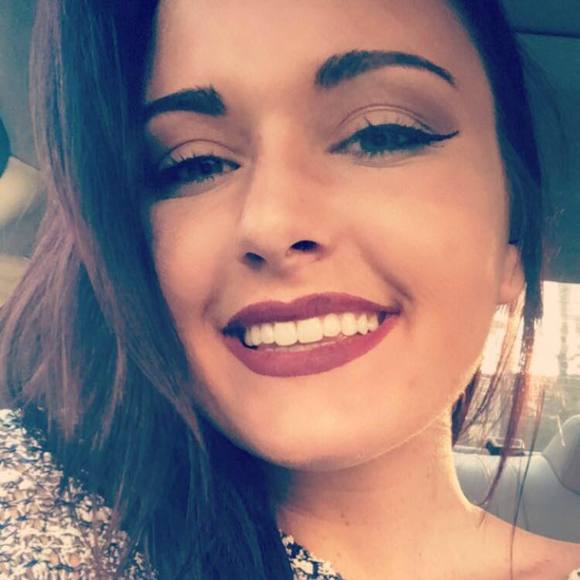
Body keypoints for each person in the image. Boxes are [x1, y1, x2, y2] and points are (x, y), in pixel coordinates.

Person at [0, 0, 578, 578]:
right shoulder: (30, 507)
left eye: (381, 135)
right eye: (194, 165)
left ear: (512, 244)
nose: (272, 224)